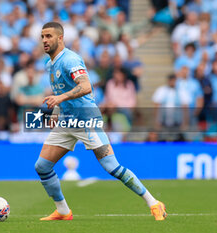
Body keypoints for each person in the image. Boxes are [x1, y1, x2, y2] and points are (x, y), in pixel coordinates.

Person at [36, 22, 167, 221]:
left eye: (49, 36)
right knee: (42, 166)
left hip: (87, 120)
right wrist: (56, 111)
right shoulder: (50, 64)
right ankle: (63, 211)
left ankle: (154, 202)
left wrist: (60, 99)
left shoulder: (70, 60)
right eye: (43, 36)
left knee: (112, 167)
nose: (45, 40)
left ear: (60, 38)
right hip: (67, 121)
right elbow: (59, 91)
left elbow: (86, 86)